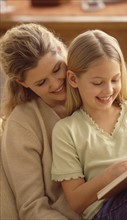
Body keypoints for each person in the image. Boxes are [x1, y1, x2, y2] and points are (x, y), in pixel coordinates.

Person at [51, 30, 127, 220]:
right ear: (73, 79)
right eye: (98, 83)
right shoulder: (67, 131)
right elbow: (76, 203)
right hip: (107, 210)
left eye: (115, 79)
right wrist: (113, 174)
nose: (108, 90)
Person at [0, 23, 81, 220]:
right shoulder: (22, 125)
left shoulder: (90, 89)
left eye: (56, 69)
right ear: (22, 83)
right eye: (41, 82)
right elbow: (32, 208)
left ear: (61, 51)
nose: (56, 84)